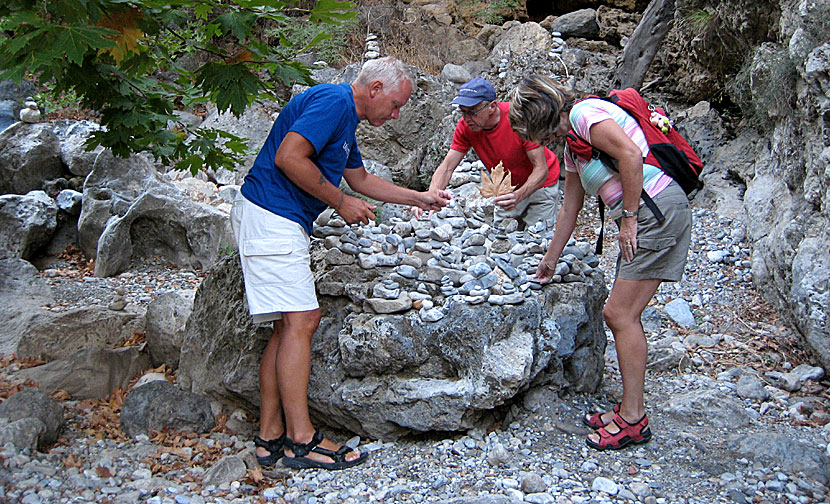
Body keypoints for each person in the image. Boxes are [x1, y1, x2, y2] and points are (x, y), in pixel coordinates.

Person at [231, 56, 451, 470]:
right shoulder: (334, 101)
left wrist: (420, 198)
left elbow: (362, 181)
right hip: (271, 216)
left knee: (285, 327)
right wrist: (339, 202)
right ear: (375, 90)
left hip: (277, 219)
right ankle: (302, 439)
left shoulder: (345, 119)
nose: (396, 113)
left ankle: (269, 436)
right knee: (303, 320)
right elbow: (289, 157)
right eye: (396, 104)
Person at [507, 75, 692, 451]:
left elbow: (629, 154)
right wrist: (549, 260)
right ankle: (629, 409)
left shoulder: (585, 116)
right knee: (622, 314)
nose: (529, 139)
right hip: (649, 213)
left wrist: (628, 217)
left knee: (620, 314)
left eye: (527, 128)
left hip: (656, 211)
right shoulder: (575, 145)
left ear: (538, 116)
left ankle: (633, 419)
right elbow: (569, 209)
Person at [411, 77, 561, 230]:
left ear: (492, 107)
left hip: (541, 185)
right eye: (463, 112)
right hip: (506, 188)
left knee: (537, 240)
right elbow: (447, 167)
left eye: (472, 112)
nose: (467, 118)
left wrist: (518, 196)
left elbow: (541, 169)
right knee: (502, 238)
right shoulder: (466, 127)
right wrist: (429, 198)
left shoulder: (518, 119)